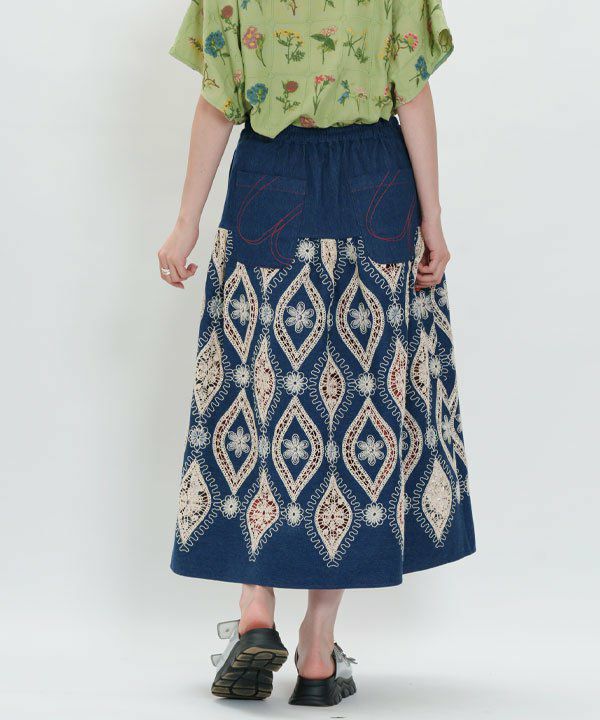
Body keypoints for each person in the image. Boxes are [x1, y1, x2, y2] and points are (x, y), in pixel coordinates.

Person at [159, 0, 475, 707]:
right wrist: (433, 221)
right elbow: (413, 94)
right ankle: (318, 650)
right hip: (375, 183)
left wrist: (185, 224)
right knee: (359, 412)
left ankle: (255, 612)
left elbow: (217, 101)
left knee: (258, 391)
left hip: (269, 177)